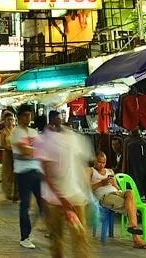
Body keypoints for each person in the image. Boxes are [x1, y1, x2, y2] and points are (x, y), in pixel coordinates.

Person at [36, 110, 93, 258]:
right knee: (59, 239)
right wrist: (63, 199)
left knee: (79, 238)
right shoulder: (47, 141)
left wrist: (87, 192)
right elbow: (46, 173)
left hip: (72, 196)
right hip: (55, 199)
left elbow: (82, 167)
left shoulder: (75, 139)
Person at [89, 152, 146, 249]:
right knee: (131, 207)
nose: (102, 165)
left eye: (104, 162)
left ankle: (132, 227)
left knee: (130, 192)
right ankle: (136, 238)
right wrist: (101, 183)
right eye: (99, 162)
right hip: (104, 196)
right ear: (94, 160)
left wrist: (113, 183)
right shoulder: (90, 171)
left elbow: (117, 188)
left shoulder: (110, 171)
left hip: (116, 192)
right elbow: (85, 188)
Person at [13, 104, 46, 249]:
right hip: (23, 173)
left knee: (44, 203)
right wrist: (35, 151)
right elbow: (25, 151)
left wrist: (33, 151)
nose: (28, 117)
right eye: (25, 115)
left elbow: (40, 150)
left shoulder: (33, 132)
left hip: (37, 171)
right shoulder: (16, 132)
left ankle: (44, 227)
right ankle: (24, 237)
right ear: (19, 116)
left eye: (29, 114)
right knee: (25, 205)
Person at [0, 111, 17, 201]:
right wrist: (11, 148)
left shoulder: (16, 130)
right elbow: (2, 144)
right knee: (7, 173)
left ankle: (16, 193)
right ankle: (8, 192)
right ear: (5, 121)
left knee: (16, 173)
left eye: (12, 119)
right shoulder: (3, 132)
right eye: (8, 120)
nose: (10, 121)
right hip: (7, 154)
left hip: (16, 154)